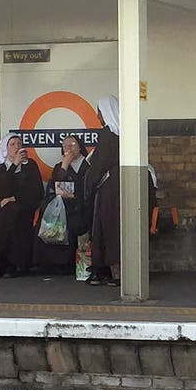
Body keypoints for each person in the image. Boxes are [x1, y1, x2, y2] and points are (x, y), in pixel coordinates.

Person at [0, 133, 44, 277]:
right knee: (4, 215)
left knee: (12, 212)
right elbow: (2, 190)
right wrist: (13, 166)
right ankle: (0, 260)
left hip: (24, 207)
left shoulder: (30, 166)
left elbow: (36, 191)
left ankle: (14, 262)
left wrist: (15, 198)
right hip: (2, 210)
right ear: (5, 149)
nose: (17, 147)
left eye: (19, 144)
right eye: (12, 144)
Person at [33, 135, 91, 274]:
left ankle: (70, 263)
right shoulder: (60, 166)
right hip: (64, 206)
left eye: (72, 144)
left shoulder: (88, 165)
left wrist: (74, 196)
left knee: (76, 219)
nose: (69, 148)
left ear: (80, 147)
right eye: (65, 146)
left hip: (83, 205)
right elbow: (55, 185)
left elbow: (90, 188)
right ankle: (52, 264)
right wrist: (65, 165)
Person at [85, 95, 121, 286]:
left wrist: (88, 184)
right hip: (119, 188)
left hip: (108, 190)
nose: (98, 116)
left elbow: (98, 165)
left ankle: (106, 270)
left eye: (99, 112)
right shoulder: (123, 134)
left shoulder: (107, 135)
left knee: (105, 228)